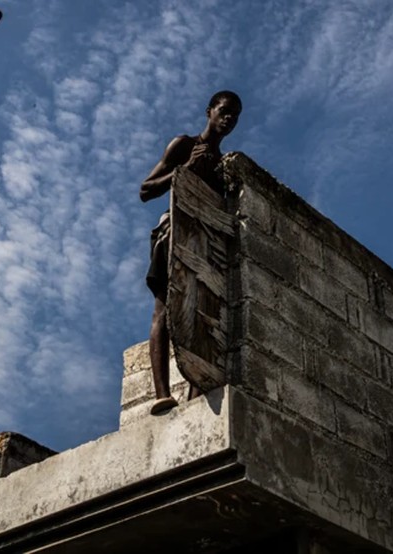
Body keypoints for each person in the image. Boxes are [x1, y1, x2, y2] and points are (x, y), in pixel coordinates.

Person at [139, 90, 242, 415]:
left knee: (203, 319)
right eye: (224, 111)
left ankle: (194, 401)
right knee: (164, 309)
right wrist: (182, 172)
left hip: (206, 245)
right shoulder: (184, 145)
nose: (228, 119)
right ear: (209, 110)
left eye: (234, 116)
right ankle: (161, 394)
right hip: (174, 233)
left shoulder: (224, 168)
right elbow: (146, 189)